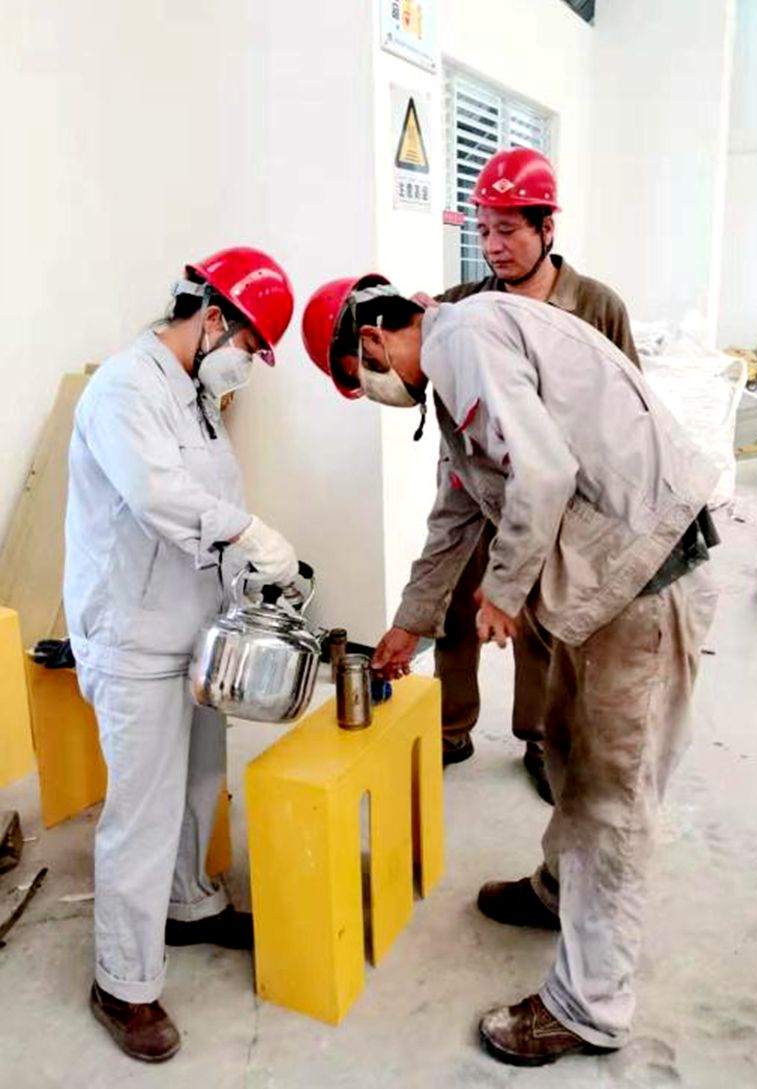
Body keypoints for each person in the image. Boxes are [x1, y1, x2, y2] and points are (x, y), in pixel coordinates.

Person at [301, 278, 719, 1067]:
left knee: (611, 795)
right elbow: (457, 514)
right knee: (565, 746)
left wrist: (502, 591)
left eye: (363, 377)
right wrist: (410, 622)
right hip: (605, 585)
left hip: (646, 579)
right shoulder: (457, 375)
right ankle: (560, 889)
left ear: (374, 339)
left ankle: (590, 1007)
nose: (377, 393)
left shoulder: (466, 337)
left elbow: (545, 473)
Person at [64, 246, 300, 1063]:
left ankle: (189, 905)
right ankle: (122, 980)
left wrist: (254, 572)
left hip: (194, 624)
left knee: (201, 780)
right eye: (250, 344)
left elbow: (210, 495)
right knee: (144, 809)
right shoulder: (125, 389)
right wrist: (249, 532)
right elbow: (157, 493)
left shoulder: (196, 394)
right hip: (132, 632)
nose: (248, 362)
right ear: (212, 317)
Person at [426, 148, 640, 798]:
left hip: (555, 494)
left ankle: (540, 737)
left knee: (542, 621)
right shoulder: (465, 302)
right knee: (455, 606)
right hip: (478, 488)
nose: (492, 246)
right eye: (482, 230)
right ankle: (448, 727)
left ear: (547, 228)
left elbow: (629, 404)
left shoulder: (595, 305)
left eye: (507, 230)